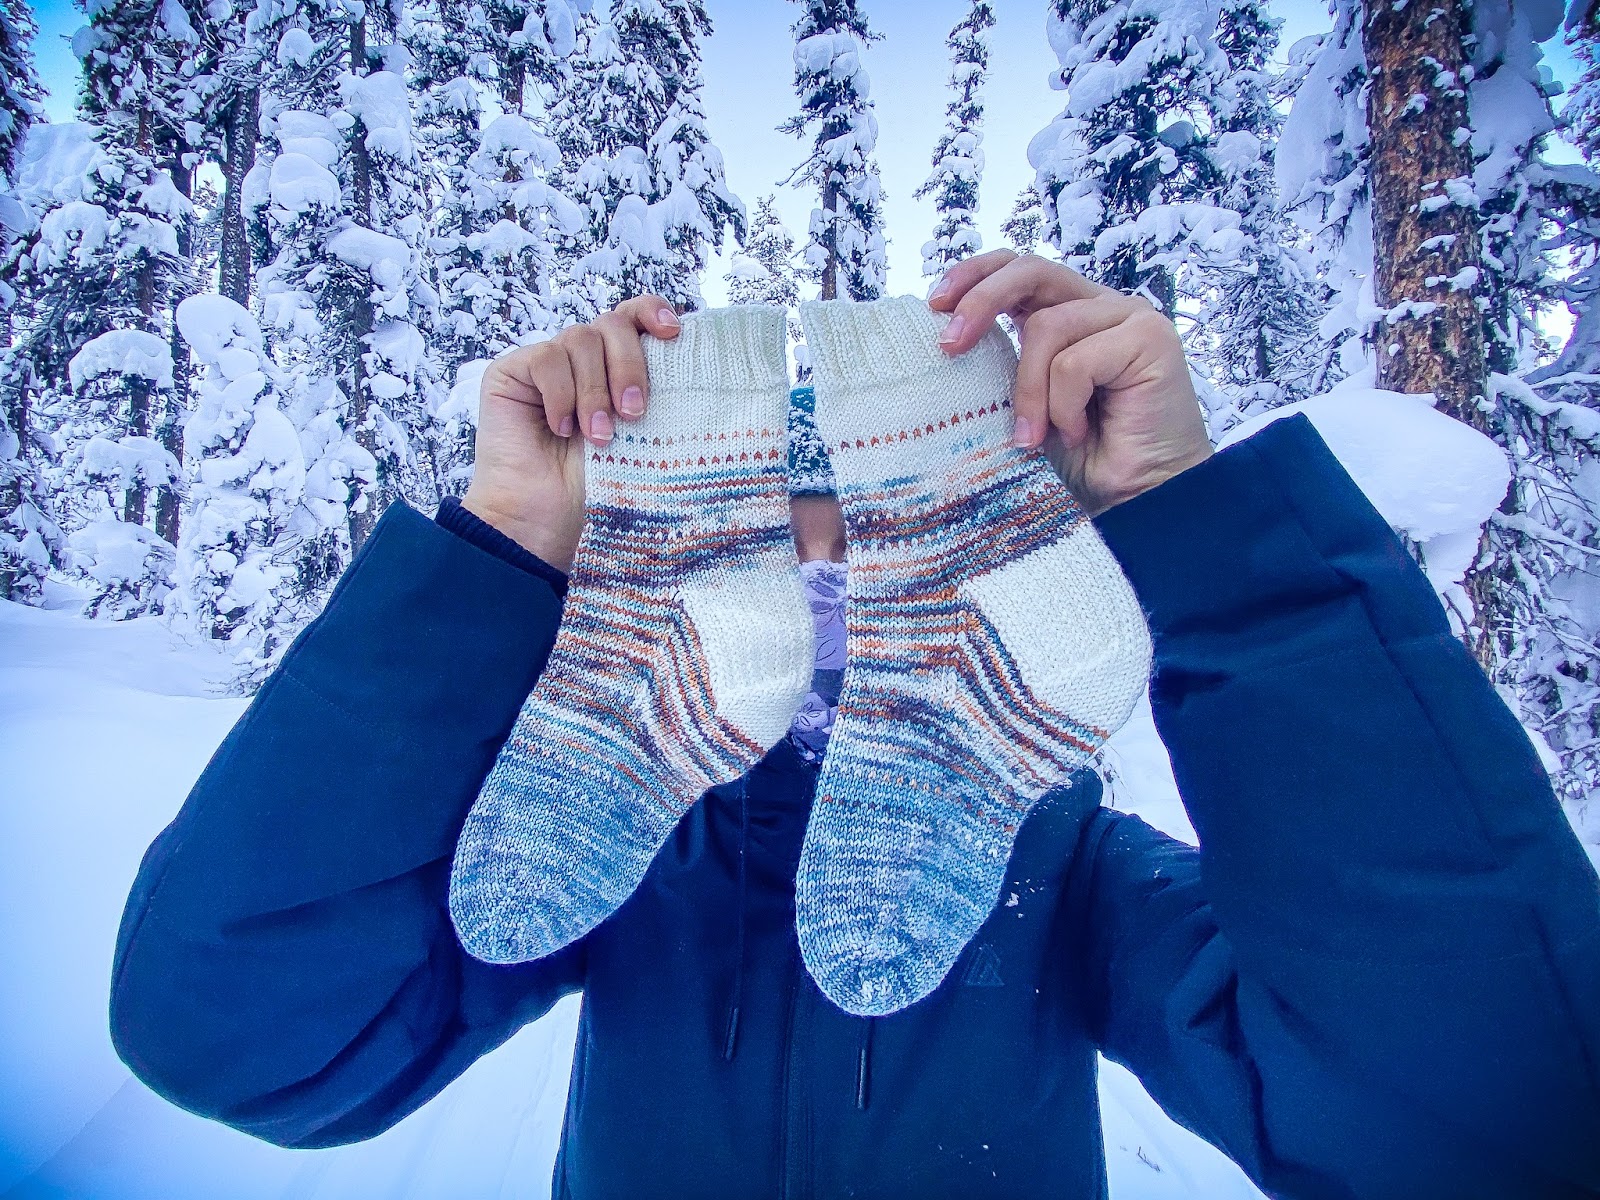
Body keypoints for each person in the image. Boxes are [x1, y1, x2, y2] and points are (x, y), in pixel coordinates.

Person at [109, 251, 1600, 1199]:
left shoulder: (1064, 863)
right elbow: (240, 1034)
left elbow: (1483, 1123)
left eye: (879, 539)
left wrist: (1204, 535)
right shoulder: (628, 841)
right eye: (778, 536)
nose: (831, 583)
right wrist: (507, 548)